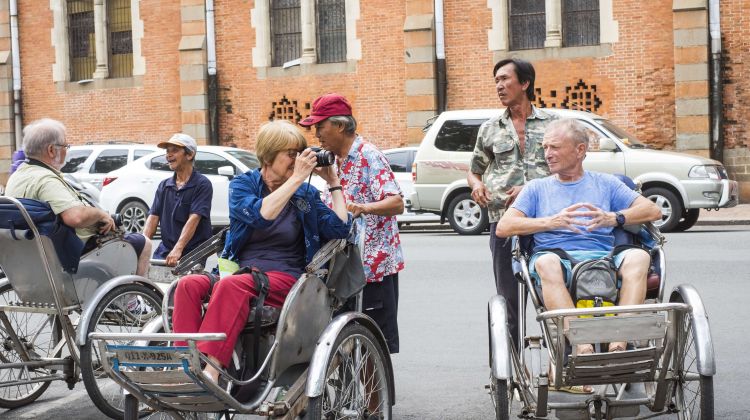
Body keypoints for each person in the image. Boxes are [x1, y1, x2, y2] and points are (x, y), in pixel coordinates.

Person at [171, 120, 351, 382]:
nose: (297, 160)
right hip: (238, 271)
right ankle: (185, 367)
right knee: (187, 285)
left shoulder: (305, 193)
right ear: (269, 154)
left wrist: (333, 182)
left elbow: (339, 229)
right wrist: (297, 178)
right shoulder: (243, 185)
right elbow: (261, 215)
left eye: (300, 154)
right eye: (291, 154)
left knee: (232, 287)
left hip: (285, 278)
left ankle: (211, 371)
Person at [496, 118, 661, 357]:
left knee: (638, 257)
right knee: (545, 263)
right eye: (545, 148)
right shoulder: (536, 188)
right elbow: (504, 226)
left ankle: (619, 343)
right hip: (556, 258)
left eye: (555, 147)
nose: (547, 154)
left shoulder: (606, 184)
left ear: (580, 150)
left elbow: (653, 211)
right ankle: (582, 346)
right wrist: (551, 222)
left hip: (603, 257)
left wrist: (614, 218)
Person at [299, 93, 405, 354]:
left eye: (320, 126)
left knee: (372, 345)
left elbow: (396, 203)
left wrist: (364, 207)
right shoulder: (333, 161)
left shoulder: (369, 155)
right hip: (341, 268)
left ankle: (375, 395)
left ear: (340, 126)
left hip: (373, 268)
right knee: (342, 344)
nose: (317, 134)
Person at [467, 58, 556, 347]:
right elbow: (474, 168)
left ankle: (561, 363)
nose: (499, 86)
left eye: (505, 79)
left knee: (551, 291)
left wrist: (532, 187)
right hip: (502, 221)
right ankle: (512, 369)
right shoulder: (490, 128)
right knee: (508, 298)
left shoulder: (553, 125)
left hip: (547, 221)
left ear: (525, 83)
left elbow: (568, 169)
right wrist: (477, 184)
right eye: (496, 80)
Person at [5, 118, 152, 276]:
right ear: (51, 150)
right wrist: (101, 214)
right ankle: (131, 300)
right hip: (70, 256)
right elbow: (75, 217)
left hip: (32, 257)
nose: (66, 150)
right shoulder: (46, 180)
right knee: (144, 242)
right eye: (65, 146)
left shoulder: (17, 177)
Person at [143, 134, 213, 267]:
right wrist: (142, 244)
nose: (168, 155)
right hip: (166, 248)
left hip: (192, 250)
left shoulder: (202, 184)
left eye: (174, 150)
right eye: (167, 151)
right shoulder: (164, 186)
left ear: (190, 154)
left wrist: (178, 248)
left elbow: (194, 218)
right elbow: (153, 217)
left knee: (184, 284)